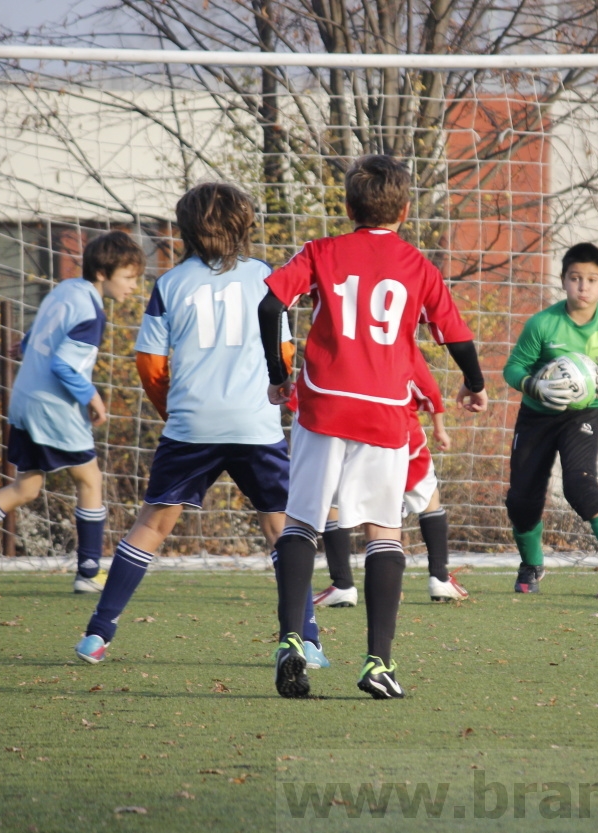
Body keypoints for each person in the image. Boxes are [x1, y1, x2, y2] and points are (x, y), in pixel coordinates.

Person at [258, 154, 488, 699]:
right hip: (384, 411)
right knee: (384, 532)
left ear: (347, 206)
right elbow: (454, 334)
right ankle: (377, 664)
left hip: (324, 405)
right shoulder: (418, 266)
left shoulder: (320, 252)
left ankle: (292, 640)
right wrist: (474, 383)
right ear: (405, 211)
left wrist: (279, 374)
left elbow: (270, 305)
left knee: (301, 524)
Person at [73, 183, 321, 666]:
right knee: (281, 530)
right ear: (244, 226)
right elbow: (285, 352)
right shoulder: (266, 276)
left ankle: (98, 634)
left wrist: (176, 410)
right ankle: (306, 640)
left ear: (185, 230)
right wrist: (277, 392)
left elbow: (150, 364)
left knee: (152, 525)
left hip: (191, 426)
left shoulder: (170, 284)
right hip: (255, 424)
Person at [0, 231, 144, 594]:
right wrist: (93, 397)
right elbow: (65, 366)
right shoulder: (92, 313)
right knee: (90, 480)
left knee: (26, 486)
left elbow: (43, 332)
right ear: (103, 273)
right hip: (53, 407)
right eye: (129, 277)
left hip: (25, 398)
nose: (134, 286)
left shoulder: (65, 291)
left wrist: (24, 345)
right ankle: (88, 572)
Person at [502, 242, 598, 599]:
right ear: (564, 281)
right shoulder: (542, 324)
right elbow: (512, 368)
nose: (583, 286)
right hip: (537, 417)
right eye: (575, 278)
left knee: (580, 486)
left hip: (583, 415)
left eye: (591, 280)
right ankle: (532, 565)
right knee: (522, 500)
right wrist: (533, 385)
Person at [312, 348, 469, 606]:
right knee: (427, 495)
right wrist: (439, 428)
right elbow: (427, 389)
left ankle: (342, 583)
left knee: (337, 502)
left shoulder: (341, 340)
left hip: (351, 433)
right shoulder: (398, 340)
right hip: (400, 434)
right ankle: (439, 577)